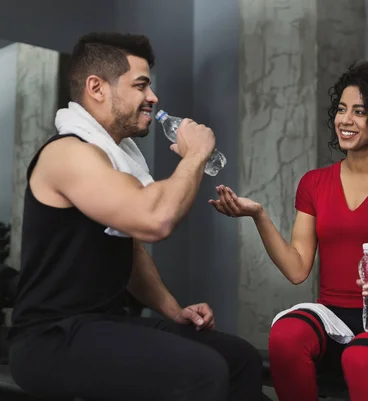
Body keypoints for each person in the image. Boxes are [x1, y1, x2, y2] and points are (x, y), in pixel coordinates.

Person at [8, 32, 262, 401]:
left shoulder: (112, 156)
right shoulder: (67, 154)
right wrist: (195, 156)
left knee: (240, 358)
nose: (153, 98)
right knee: (203, 372)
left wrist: (174, 311)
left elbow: (129, 250)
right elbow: (155, 220)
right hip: (49, 338)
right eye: (141, 85)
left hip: (98, 325)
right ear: (97, 87)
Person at [209, 60, 368, 401]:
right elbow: (297, 268)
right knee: (286, 336)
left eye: (360, 111)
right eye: (342, 109)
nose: (345, 120)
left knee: (360, 357)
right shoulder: (314, 184)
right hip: (332, 319)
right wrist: (259, 216)